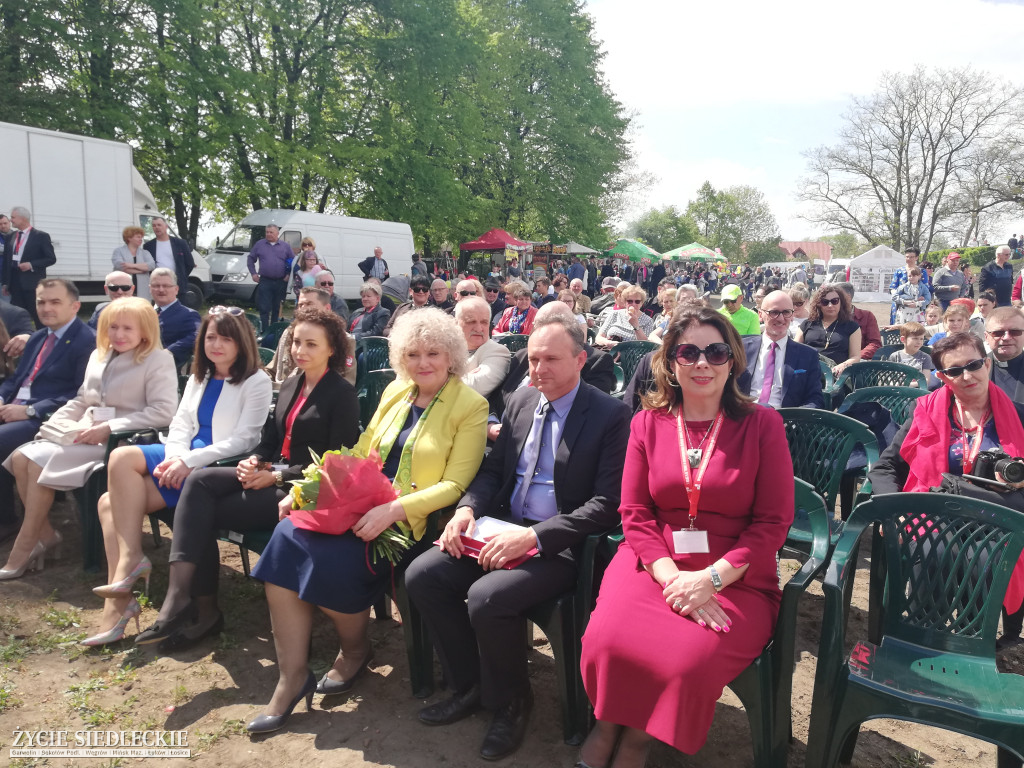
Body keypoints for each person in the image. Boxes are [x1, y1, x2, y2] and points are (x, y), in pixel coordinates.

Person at [245, 308, 487, 734]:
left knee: (332, 560)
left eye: (433, 353)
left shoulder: (470, 405)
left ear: (451, 355)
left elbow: (454, 484)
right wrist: (307, 490)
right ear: (400, 358)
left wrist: (392, 509)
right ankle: (291, 677)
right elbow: (360, 451)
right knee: (286, 534)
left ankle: (354, 651)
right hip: (357, 505)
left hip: (407, 524)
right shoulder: (397, 390)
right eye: (412, 354)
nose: (422, 363)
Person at [406, 312, 631, 761]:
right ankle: (470, 685)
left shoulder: (610, 414)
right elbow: (493, 471)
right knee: (422, 575)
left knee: (488, 598)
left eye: (550, 359)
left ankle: (512, 703)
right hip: (503, 527)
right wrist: (467, 510)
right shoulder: (521, 401)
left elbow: (607, 504)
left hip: (559, 546)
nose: (537, 369)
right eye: (532, 359)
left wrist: (534, 540)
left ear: (581, 359)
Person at [575, 304, 793, 767]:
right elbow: (633, 512)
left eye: (715, 352)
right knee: (606, 642)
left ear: (732, 360)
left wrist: (710, 580)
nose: (701, 363)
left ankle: (635, 741)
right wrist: (673, 576)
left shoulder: (762, 425)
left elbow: (773, 524)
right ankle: (608, 723)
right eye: (688, 351)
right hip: (654, 561)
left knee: (683, 659)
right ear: (670, 361)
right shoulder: (646, 423)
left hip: (736, 572)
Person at [133, 307, 360, 651]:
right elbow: (269, 439)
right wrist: (255, 461)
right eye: (297, 342)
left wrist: (277, 475)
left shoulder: (340, 394)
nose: (300, 351)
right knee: (199, 484)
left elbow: (336, 462)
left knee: (199, 512)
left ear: (332, 349)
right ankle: (183, 599)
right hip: (270, 476)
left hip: (303, 490)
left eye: (312, 345)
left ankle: (199, 610)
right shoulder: (291, 383)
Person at [90, 308, 272, 643]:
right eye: (211, 337)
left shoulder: (256, 381)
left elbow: (245, 439)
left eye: (226, 338)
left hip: (216, 463)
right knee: (120, 458)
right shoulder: (200, 376)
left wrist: (189, 461)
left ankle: (119, 602)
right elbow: (180, 424)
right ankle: (131, 562)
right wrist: (174, 457)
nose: (216, 345)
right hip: (182, 453)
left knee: (107, 503)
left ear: (242, 342)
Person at [0, 299, 176, 584]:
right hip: (84, 434)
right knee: (22, 457)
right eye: (113, 327)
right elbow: (82, 399)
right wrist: (56, 422)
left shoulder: (158, 359)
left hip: (122, 442)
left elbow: (163, 412)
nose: (118, 334)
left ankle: (26, 545)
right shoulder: (100, 354)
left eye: (127, 328)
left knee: (36, 461)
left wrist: (110, 427)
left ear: (144, 330)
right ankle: (44, 535)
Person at [867, 331, 1024, 648]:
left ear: (988, 363)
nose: (966, 376)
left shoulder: (1020, 415)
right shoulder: (924, 411)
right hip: (931, 514)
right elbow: (885, 468)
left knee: (985, 559)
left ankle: (970, 643)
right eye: (954, 370)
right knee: (939, 551)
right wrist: (891, 512)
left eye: (974, 364)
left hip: (997, 519)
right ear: (941, 376)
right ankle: (920, 636)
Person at [0, 279, 94, 544]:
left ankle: (6, 521)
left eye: (55, 302)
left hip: (45, 418)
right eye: (41, 301)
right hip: (12, 407)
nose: (46, 308)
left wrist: (30, 411)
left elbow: (81, 394)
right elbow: (17, 378)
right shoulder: (39, 337)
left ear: (75, 306)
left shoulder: (86, 341)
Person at [736, 290, 824, 409]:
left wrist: (794, 420)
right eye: (774, 312)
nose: (781, 319)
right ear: (760, 314)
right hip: (744, 416)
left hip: (785, 421)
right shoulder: (742, 348)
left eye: (786, 312)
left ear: (792, 315)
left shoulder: (808, 355)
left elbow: (815, 399)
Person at [2, 206, 57, 326]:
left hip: (32, 284)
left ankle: (43, 339)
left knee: (38, 316)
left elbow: (51, 258)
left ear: (23, 219)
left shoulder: (40, 236)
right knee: (17, 317)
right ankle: (21, 339)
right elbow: (7, 261)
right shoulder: (10, 237)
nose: (11, 220)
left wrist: (31, 265)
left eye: (13, 217)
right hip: (14, 284)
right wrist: (5, 283)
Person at [793, 286, 862, 375]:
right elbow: (794, 350)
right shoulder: (807, 324)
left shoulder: (852, 327)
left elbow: (855, 356)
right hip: (809, 372)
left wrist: (843, 366)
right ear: (819, 304)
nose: (830, 305)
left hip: (836, 375)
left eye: (834, 301)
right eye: (825, 302)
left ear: (841, 303)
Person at [457, 297, 510, 398]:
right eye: (471, 321)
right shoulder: (446, 350)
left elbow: (474, 387)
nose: (478, 328)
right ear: (456, 323)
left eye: (484, 322)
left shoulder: (498, 351)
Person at [149, 268, 201, 368]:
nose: (161, 289)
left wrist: (169, 351)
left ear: (176, 289)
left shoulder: (188, 315)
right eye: (156, 286)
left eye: (166, 286)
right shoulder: (144, 313)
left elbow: (197, 336)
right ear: (150, 288)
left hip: (166, 367)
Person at [246, 223, 293, 328]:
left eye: (271, 232)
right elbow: (250, 259)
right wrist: (253, 273)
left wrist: (288, 274)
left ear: (277, 233)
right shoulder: (260, 244)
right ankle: (264, 331)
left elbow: (292, 262)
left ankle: (274, 330)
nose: (268, 234)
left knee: (277, 308)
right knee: (264, 307)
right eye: (267, 232)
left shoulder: (285, 246)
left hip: (281, 281)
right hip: (265, 281)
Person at [143, 217, 195, 307]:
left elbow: (189, 263)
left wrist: (180, 276)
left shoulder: (180, 243)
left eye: (159, 225)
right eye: (154, 226)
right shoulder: (148, 246)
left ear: (166, 227)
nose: (157, 228)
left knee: (179, 311)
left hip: (177, 284)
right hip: (159, 285)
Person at [986, 307, 1024, 406]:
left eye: (1015, 332)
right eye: (998, 333)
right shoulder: (974, 368)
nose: (1006, 337)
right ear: (986, 337)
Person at [887, 321, 936, 388]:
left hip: (917, 392)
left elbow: (926, 380)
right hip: (897, 391)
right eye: (915, 338)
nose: (919, 342)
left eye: (921, 339)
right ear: (903, 339)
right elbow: (890, 378)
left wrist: (907, 386)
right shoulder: (895, 356)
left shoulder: (925, 357)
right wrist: (894, 385)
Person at [111, 226, 155, 300]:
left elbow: (151, 266)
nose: (141, 239)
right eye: (138, 237)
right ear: (129, 238)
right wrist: (142, 270)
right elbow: (121, 267)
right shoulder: (118, 251)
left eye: (141, 237)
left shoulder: (145, 253)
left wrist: (131, 265)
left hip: (142, 290)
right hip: (123, 288)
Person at [888, 247, 929, 323]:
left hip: (916, 304)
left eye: (911, 257)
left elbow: (926, 287)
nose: (909, 259)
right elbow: (893, 287)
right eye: (907, 257)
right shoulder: (899, 271)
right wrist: (897, 297)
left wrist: (920, 299)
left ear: (916, 257)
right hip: (900, 303)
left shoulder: (922, 271)